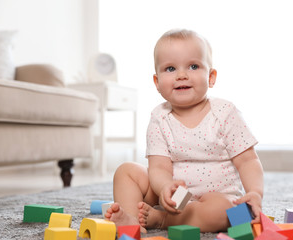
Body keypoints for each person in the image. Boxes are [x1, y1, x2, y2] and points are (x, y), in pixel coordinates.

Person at [105, 29, 264, 233]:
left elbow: (248, 161)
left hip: (216, 195)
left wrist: (255, 192)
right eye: (170, 68)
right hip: (173, 195)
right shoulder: (159, 118)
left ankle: (161, 220)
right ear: (157, 82)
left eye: (193, 66)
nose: (181, 75)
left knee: (230, 212)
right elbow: (159, 167)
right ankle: (131, 219)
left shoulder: (225, 113)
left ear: (211, 77)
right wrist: (164, 187)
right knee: (126, 171)